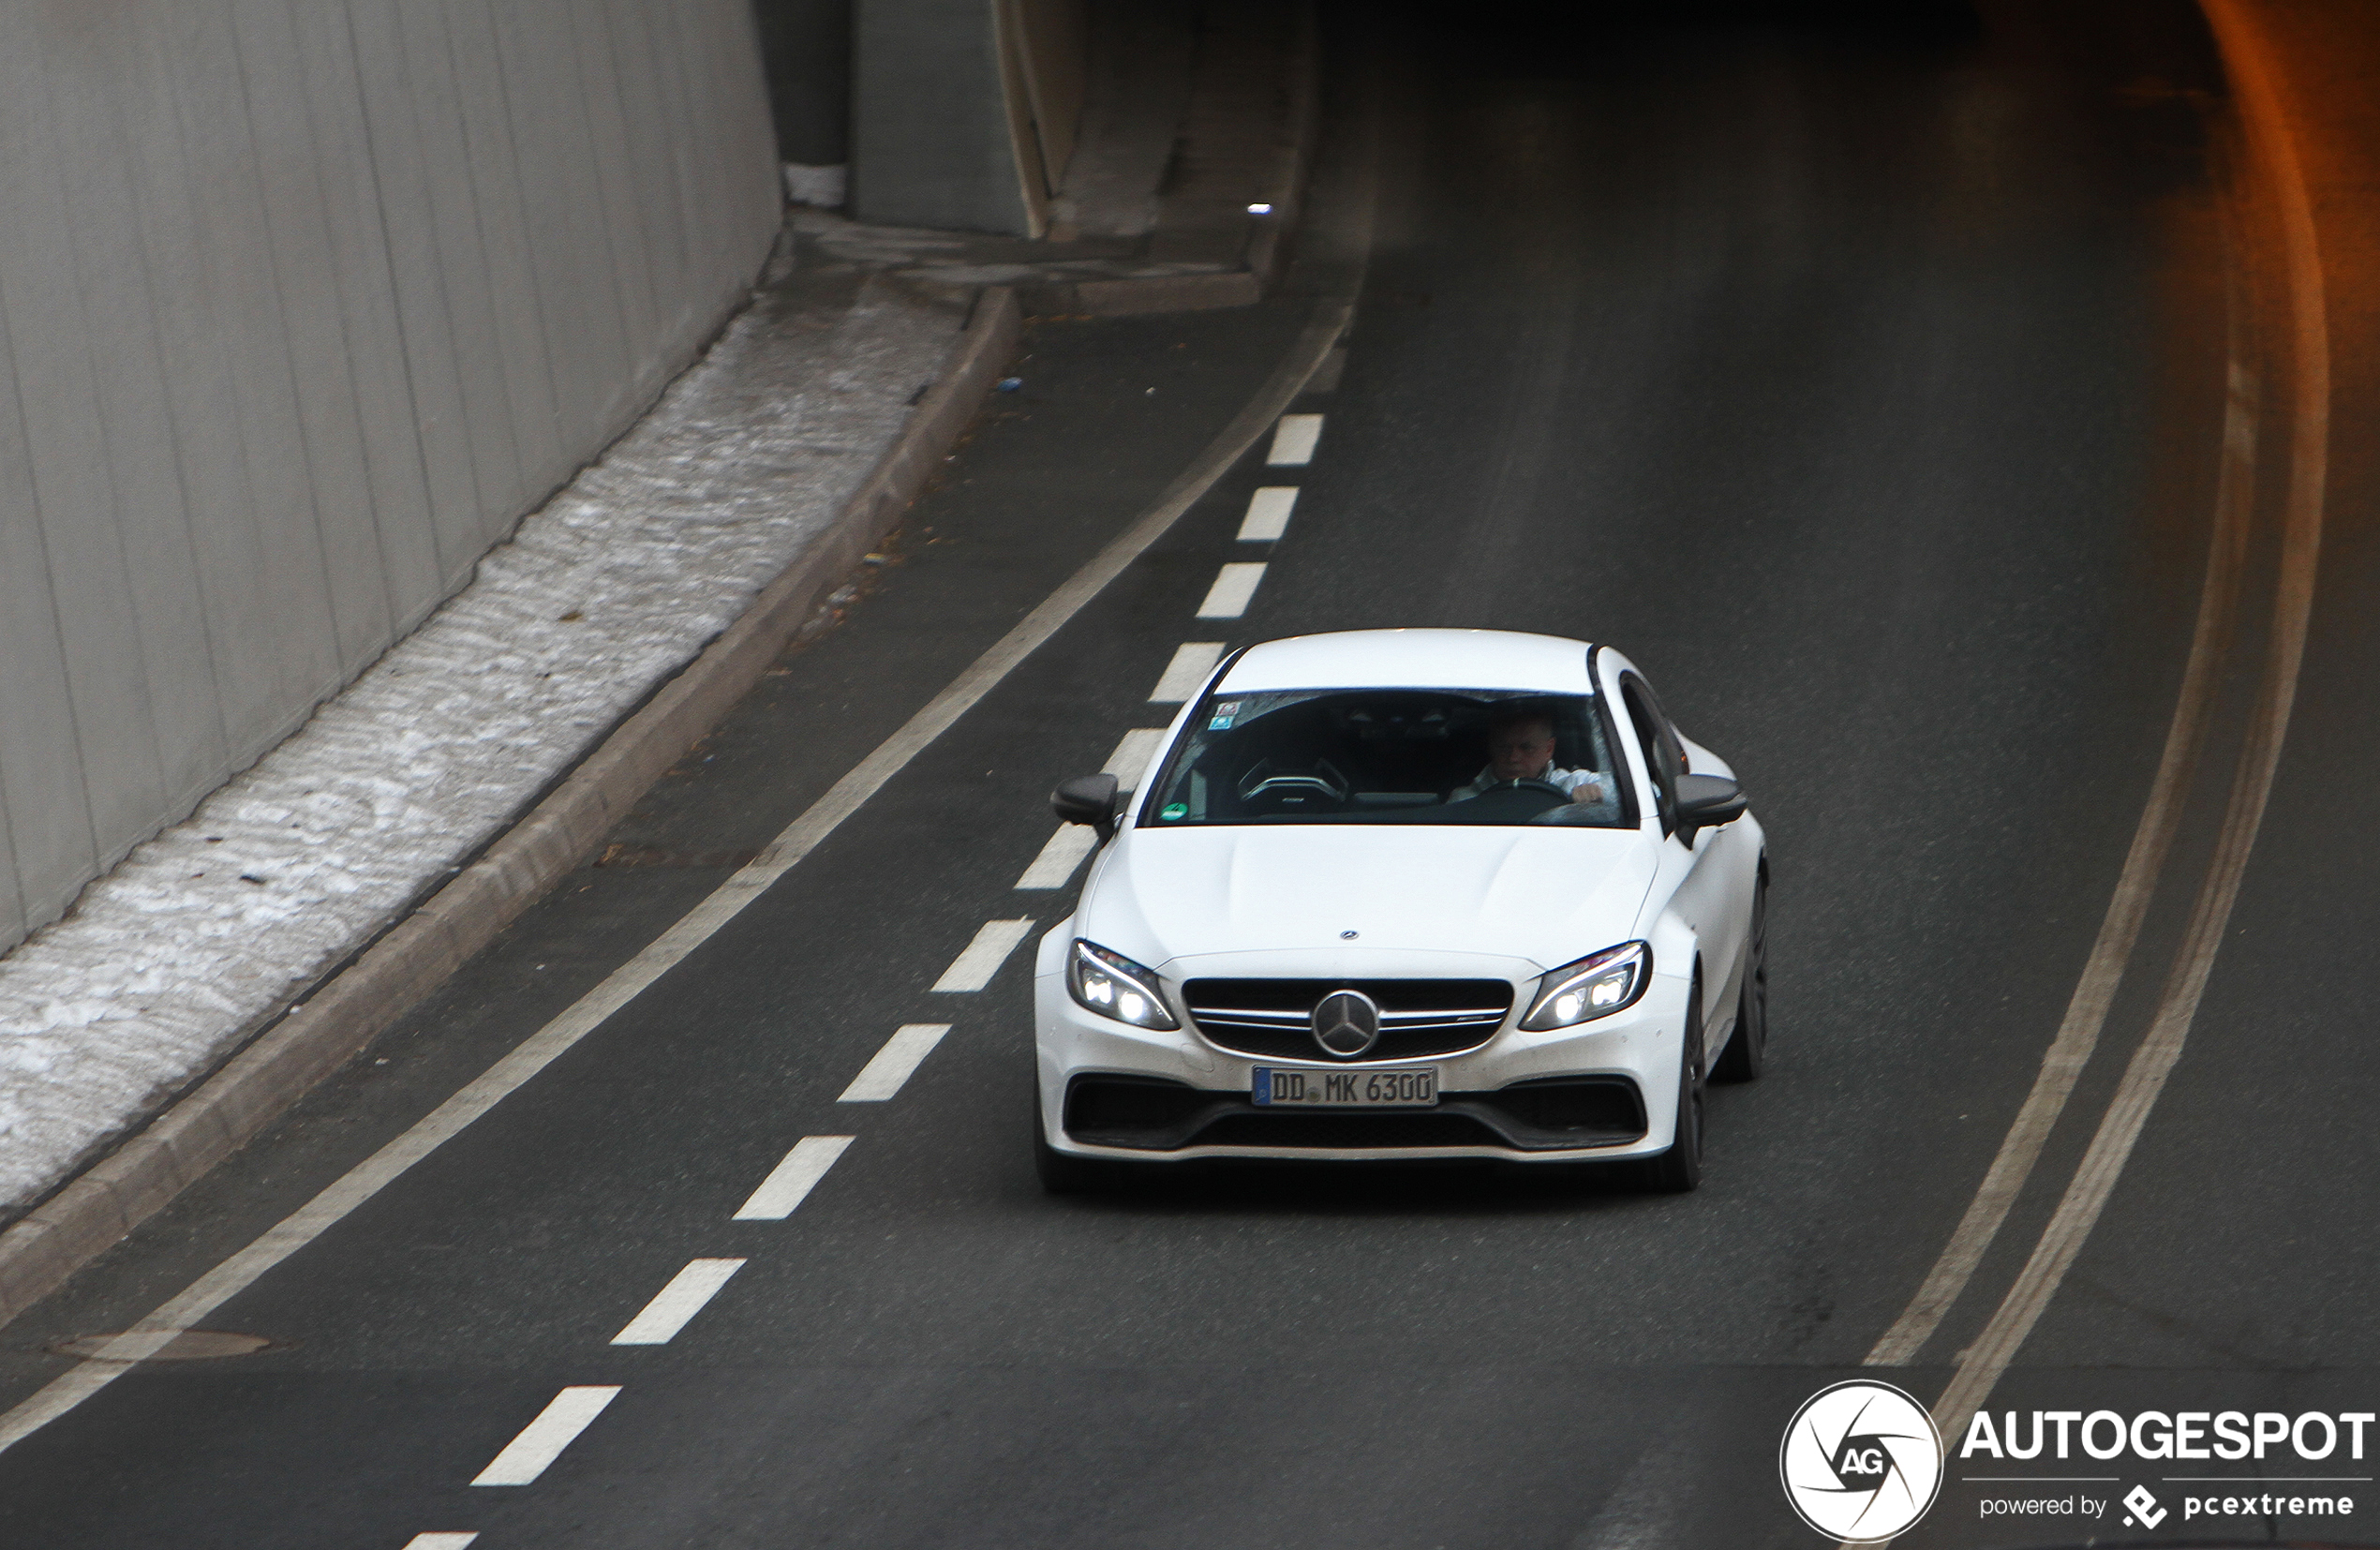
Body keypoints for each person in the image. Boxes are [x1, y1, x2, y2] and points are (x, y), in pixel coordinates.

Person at [1450, 708, 1614, 806]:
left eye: (1526, 748)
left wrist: (1597, 792)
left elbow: (1621, 789)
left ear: (1549, 749)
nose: (1513, 758)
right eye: (1504, 747)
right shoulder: (1465, 800)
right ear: (1491, 747)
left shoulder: (1570, 784)